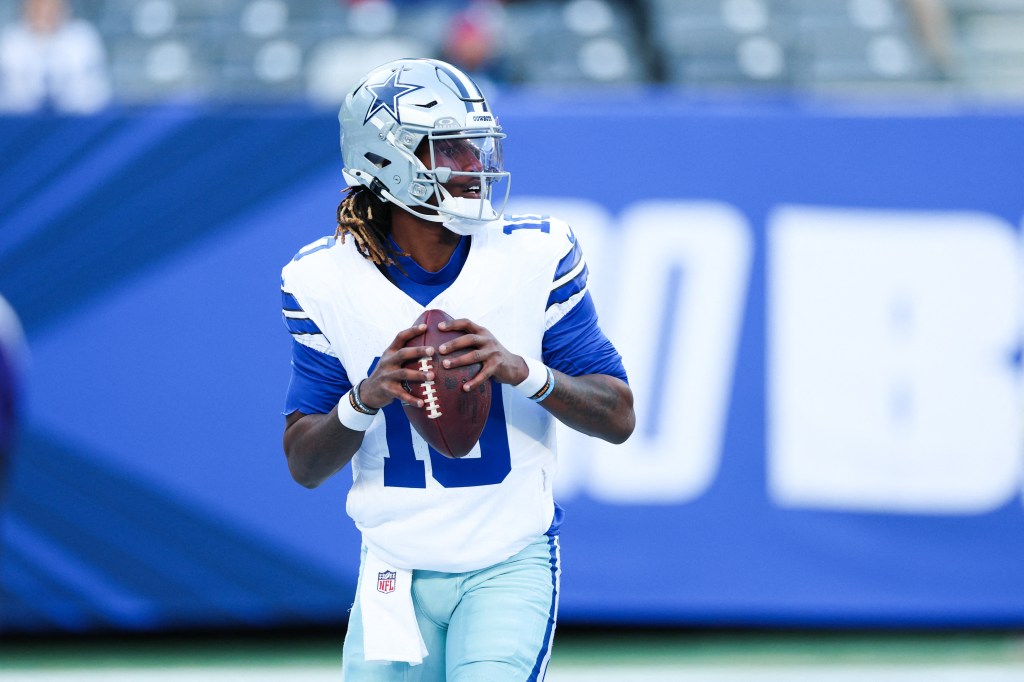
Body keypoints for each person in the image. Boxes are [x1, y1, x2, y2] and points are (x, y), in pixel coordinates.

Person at [280, 57, 634, 681]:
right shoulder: (321, 279)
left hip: (508, 559)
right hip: (393, 570)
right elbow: (304, 465)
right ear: (387, 159)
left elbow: (619, 416)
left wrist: (525, 372)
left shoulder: (535, 253)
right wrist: (365, 398)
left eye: (475, 144)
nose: (473, 163)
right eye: (448, 147)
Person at [0, 0, 111, 114]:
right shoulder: (11, 40)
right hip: (19, 123)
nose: (44, 12)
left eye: (50, 6)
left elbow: (97, 91)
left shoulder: (82, 38)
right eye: (37, 7)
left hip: (75, 120)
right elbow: (7, 94)